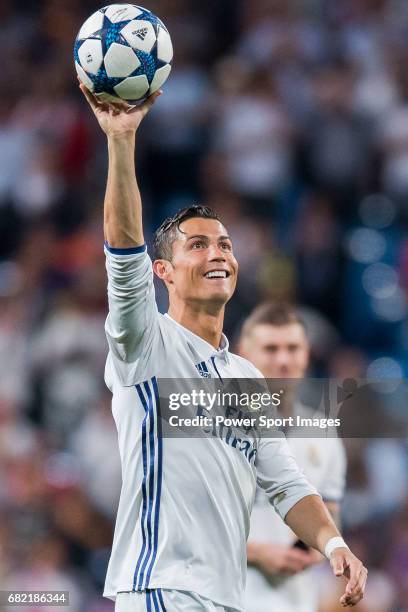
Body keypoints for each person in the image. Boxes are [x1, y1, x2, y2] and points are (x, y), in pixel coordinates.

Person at [79, 84, 367, 612]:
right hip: (160, 589)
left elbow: (283, 479)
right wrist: (121, 141)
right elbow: (122, 253)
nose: (219, 253)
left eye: (226, 245)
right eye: (199, 244)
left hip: (224, 598)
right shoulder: (148, 345)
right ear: (162, 271)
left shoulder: (246, 377)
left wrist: (334, 544)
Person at [239, 303, 347, 612]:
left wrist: (317, 550)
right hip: (226, 600)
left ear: (307, 354)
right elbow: (187, 527)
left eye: (293, 348)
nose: (283, 360)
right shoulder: (213, 428)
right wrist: (258, 553)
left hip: (296, 602)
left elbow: (330, 518)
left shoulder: (324, 434)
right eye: (271, 349)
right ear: (244, 354)